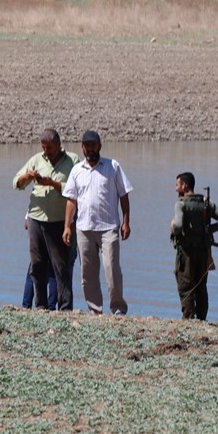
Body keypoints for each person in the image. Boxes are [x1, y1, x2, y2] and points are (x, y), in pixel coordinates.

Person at [62, 130, 133, 315]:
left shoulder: (113, 166)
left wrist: (126, 222)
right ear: (82, 148)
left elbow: (124, 195)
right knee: (87, 273)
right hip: (84, 228)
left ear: (99, 146)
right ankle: (95, 310)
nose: (90, 148)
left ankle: (118, 309)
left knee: (112, 270)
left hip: (109, 227)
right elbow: (71, 200)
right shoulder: (77, 170)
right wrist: (67, 226)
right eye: (87, 145)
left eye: (94, 145)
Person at [13, 128, 78, 311]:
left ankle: (65, 308)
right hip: (36, 218)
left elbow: (77, 188)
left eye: (49, 148)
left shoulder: (72, 161)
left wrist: (52, 183)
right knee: (37, 264)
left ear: (58, 145)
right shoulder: (36, 159)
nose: (46, 152)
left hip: (59, 221)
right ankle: (40, 306)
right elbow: (16, 182)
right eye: (43, 148)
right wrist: (28, 177)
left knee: (61, 267)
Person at [170, 171, 218, 320]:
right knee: (201, 286)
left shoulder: (181, 204)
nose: (175, 188)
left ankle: (188, 318)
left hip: (186, 253)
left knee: (186, 286)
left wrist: (172, 226)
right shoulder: (206, 203)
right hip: (204, 252)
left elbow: (178, 226)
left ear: (184, 185)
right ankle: (202, 318)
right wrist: (209, 230)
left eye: (177, 185)